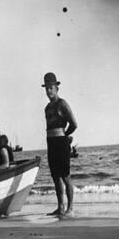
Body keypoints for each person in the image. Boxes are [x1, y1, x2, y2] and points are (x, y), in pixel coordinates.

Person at [42, 72, 78, 218]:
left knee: (65, 176)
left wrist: (65, 136)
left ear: (57, 88)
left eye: (51, 88)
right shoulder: (46, 108)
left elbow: (74, 124)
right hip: (51, 144)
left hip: (61, 142)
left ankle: (70, 208)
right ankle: (60, 207)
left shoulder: (62, 104)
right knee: (56, 177)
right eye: (47, 88)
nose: (49, 91)